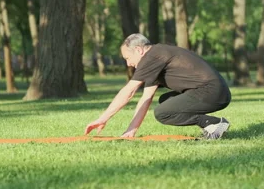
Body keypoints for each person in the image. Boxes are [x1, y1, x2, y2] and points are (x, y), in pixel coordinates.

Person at [84, 33, 232, 140]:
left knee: (163, 112)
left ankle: (213, 124)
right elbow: (146, 98)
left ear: (139, 50)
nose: (128, 64)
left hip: (212, 91)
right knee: (165, 101)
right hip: (214, 91)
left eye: (127, 58)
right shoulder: (155, 59)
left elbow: (129, 91)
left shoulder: (153, 56)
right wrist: (131, 130)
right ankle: (212, 126)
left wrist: (103, 118)